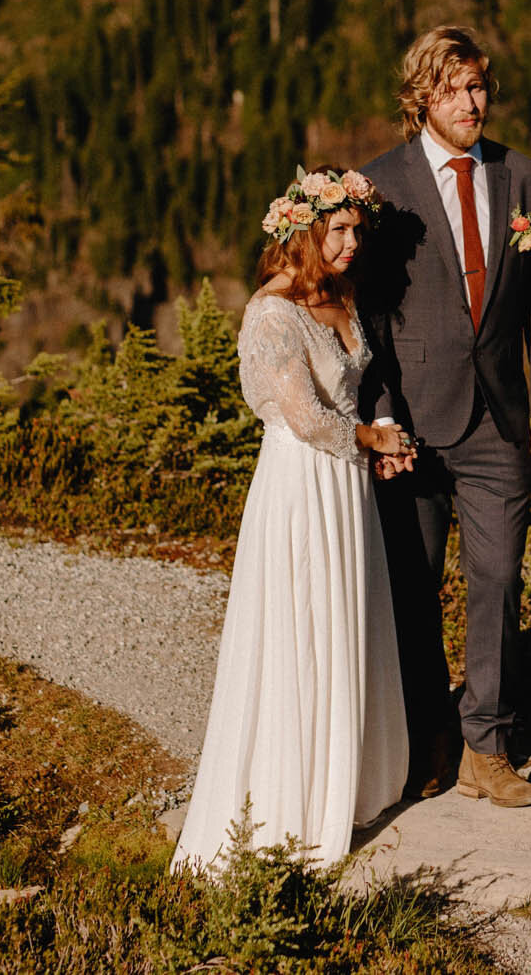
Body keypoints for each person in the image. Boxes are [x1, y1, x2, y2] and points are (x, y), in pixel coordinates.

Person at [171, 166, 415, 869]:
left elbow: (352, 391)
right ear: (303, 230)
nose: (351, 243)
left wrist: (381, 438)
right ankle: (293, 798)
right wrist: (370, 441)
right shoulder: (272, 310)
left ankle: (349, 775)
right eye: (338, 230)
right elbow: (306, 416)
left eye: (356, 230)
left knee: (348, 619)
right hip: (302, 481)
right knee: (303, 624)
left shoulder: (340, 293)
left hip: (346, 485)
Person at [357, 26, 531, 807]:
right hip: (411, 419)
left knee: (500, 578)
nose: (471, 102)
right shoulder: (378, 184)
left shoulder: (523, 179)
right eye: (453, 89)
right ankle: (426, 741)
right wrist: (380, 418)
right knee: (412, 591)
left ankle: (488, 743)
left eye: (478, 86)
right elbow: (368, 317)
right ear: (422, 98)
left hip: (500, 419)